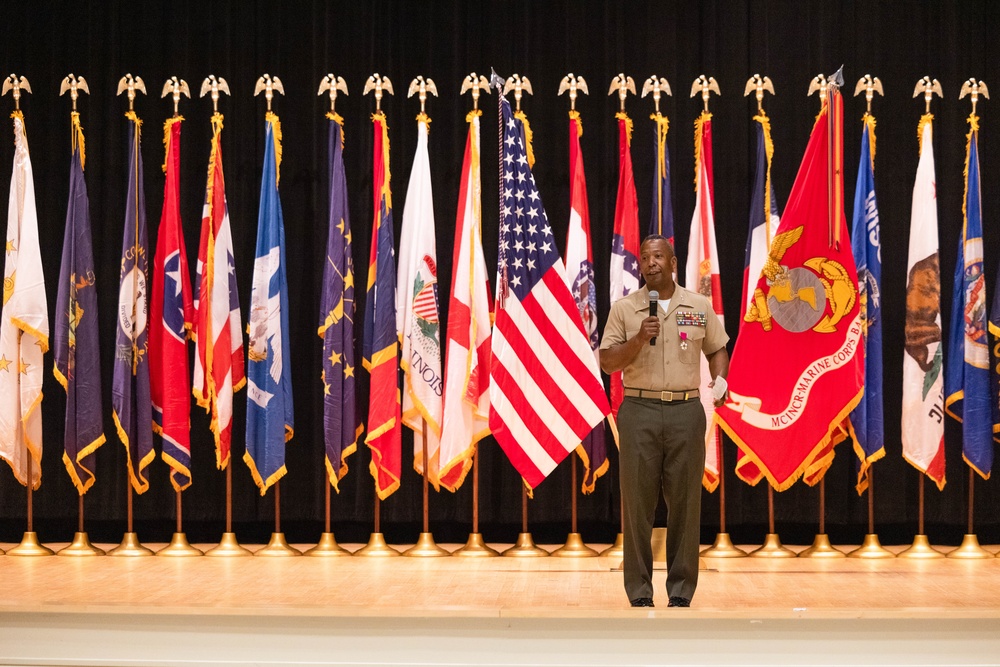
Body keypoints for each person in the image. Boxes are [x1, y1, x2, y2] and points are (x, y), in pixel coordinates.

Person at [600, 235, 729, 608]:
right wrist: (639, 339)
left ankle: (681, 591)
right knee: (637, 506)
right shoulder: (626, 309)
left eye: (658, 256)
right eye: (644, 257)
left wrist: (719, 379)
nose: (650, 263)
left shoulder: (698, 305)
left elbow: (717, 349)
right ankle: (639, 592)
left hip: (686, 412)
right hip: (639, 410)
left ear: (673, 264)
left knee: (685, 505)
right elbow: (607, 361)